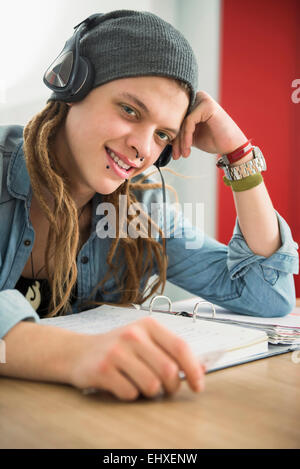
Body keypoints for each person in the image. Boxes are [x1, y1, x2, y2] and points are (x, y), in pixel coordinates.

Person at [0, 10, 298, 401]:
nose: (143, 149)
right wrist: (76, 355)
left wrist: (238, 155)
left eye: (162, 135)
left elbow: (267, 295)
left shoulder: (138, 211)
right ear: (71, 85)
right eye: (129, 110)